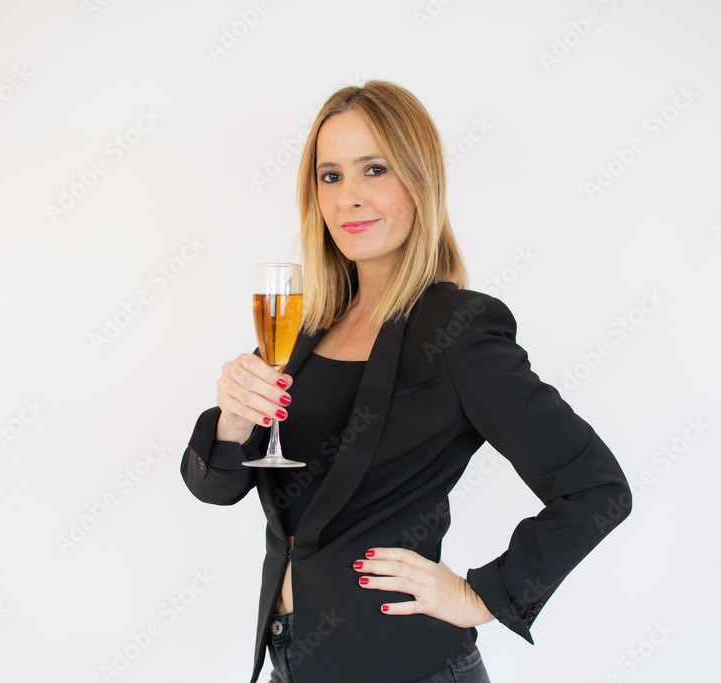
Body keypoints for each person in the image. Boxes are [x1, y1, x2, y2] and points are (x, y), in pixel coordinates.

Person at [180, 80, 632, 683]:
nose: (349, 198)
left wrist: (482, 597)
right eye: (330, 176)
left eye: (375, 168)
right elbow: (216, 490)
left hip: (404, 667)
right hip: (293, 660)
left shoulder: (460, 331)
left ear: (421, 181)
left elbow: (597, 488)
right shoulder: (306, 327)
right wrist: (232, 422)